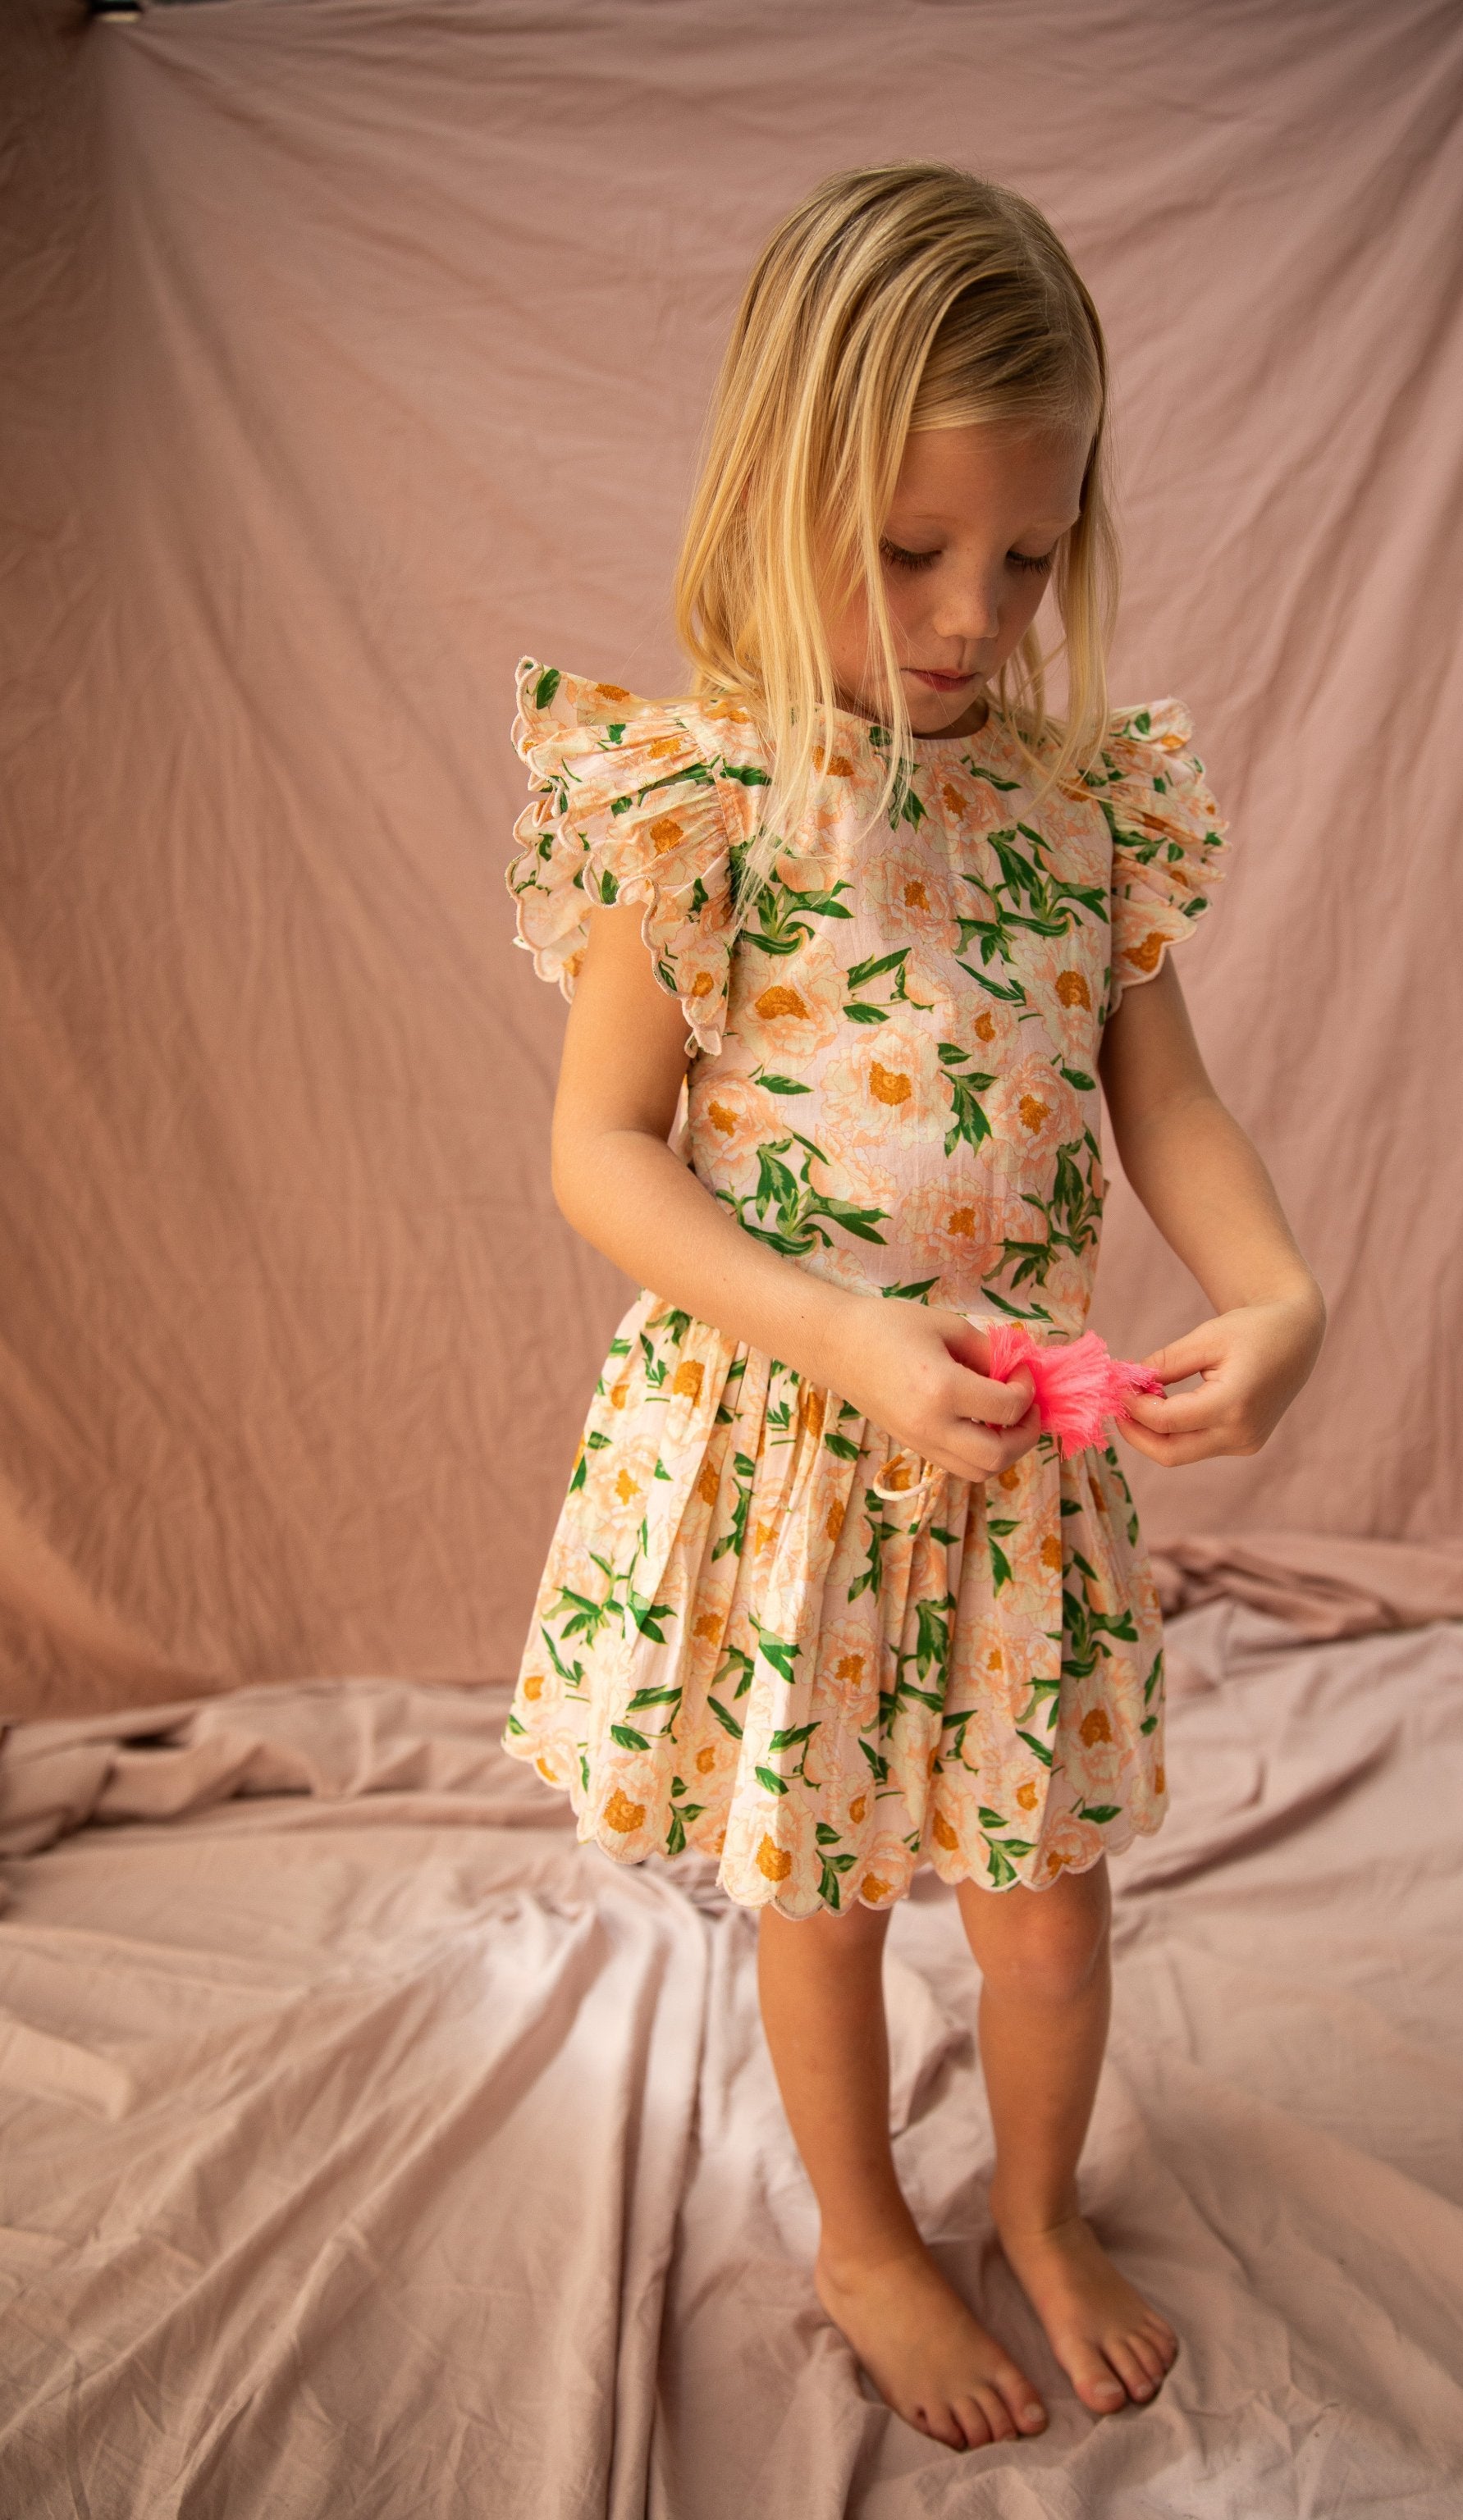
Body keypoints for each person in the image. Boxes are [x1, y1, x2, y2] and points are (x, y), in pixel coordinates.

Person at [501, 162, 1325, 2453]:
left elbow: (1171, 1111)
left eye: (1028, 557)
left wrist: (1277, 1293)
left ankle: (1042, 2208)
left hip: (1024, 1482)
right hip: (811, 1468)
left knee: (1052, 1911)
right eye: (910, 551)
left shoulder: (1078, 816)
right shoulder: (702, 803)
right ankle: (866, 2235)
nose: (977, 616)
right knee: (833, 1898)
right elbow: (601, 1154)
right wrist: (843, 1330)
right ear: (781, 493)